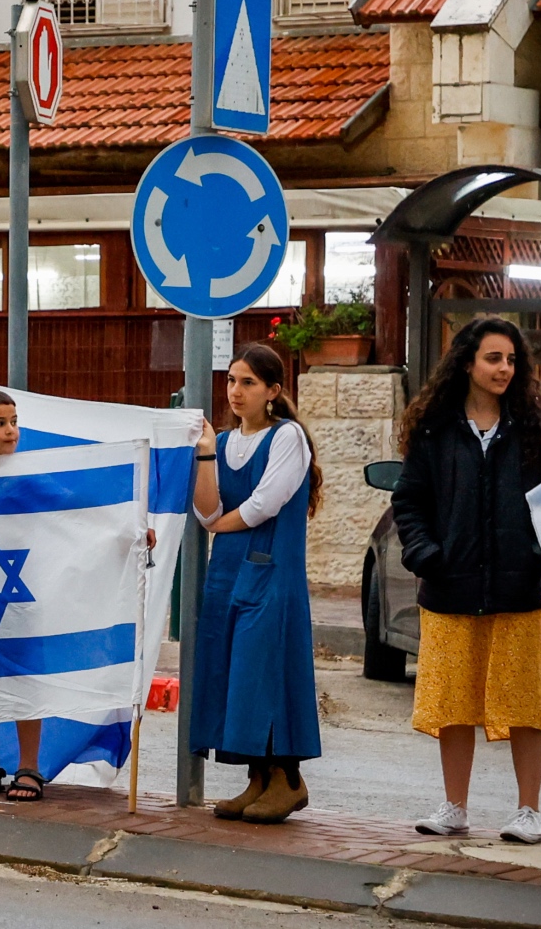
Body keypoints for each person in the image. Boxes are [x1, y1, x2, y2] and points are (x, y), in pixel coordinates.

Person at [392, 318, 541, 844]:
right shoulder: (433, 429)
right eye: (494, 358)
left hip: (521, 593)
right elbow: (409, 501)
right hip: (450, 588)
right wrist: (426, 554)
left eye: (512, 360)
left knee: (526, 705)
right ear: (467, 362)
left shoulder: (535, 429)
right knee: (453, 701)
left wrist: (537, 560)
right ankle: (454, 806)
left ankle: (528, 811)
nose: (504, 369)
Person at [190, 345, 323, 824]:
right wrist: (206, 453)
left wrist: (221, 525)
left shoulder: (287, 437)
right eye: (230, 381)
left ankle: (287, 777)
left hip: (271, 570)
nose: (236, 391)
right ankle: (258, 778)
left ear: (273, 390)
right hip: (228, 572)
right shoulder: (224, 443)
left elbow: (265, 502)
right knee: (235, 675)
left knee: (265, 670)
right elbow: (205, 510)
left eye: (248, 382)